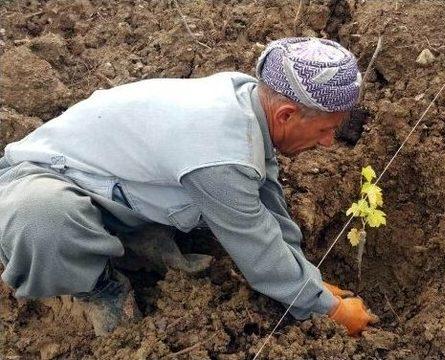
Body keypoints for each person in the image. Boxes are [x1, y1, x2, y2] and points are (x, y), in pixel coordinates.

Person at [0, 37, 375, 336]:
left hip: (115, 183)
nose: (329, 142)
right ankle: (98, 284)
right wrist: (329, 310)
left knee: (220, 201)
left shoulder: (248, 101)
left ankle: (130, 241)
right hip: (41, 179)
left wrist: (309, 277)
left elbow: (267, 203)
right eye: (325, 129)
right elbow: (257, 248)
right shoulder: (220, 151)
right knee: (43, 224)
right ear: (286, 115)